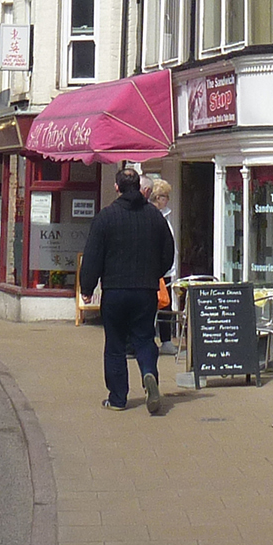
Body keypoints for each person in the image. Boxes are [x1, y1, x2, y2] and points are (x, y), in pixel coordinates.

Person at [80, 167, 176, 414]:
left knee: (115, 345)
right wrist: (154, 274)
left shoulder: (105, 217)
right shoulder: (155, 217)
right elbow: (168, 254)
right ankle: (148, 374)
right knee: (144, 338)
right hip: (145, 290)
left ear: (116, 187)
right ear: (142, 188)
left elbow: (92, 256)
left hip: (114, 291)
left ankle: (118, 398)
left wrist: (87, 287)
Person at [145, 176, 179, 352]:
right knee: (156, 305)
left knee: (165, 304)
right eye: (165, 196)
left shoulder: (165, 215)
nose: (168, 199)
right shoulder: (154, 216)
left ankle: (165, 340)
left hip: (166, 270)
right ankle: (153, 340)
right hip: (158, 271)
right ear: (158, 197)